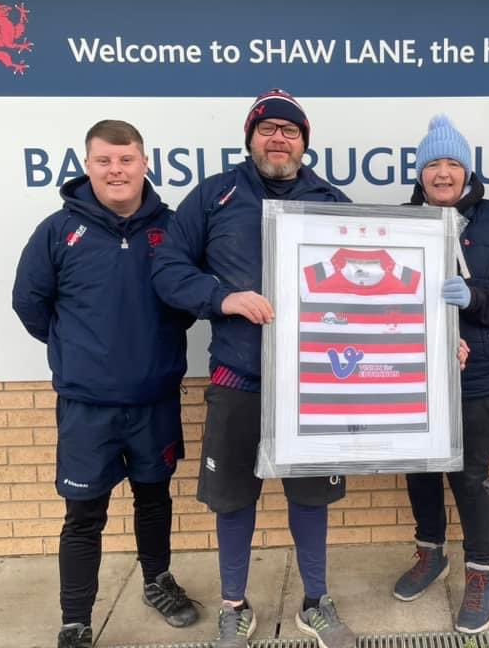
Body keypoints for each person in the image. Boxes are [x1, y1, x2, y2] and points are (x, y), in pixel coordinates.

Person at [150, 89, 357, 648]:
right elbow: (167, 269)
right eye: (268, 129)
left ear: (304, 143)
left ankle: (315, 601)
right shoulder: (214, 196)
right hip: (238, 379)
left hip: (312, 384)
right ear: (250, 137)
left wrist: (426, 343)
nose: (278, 139)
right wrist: (223, 297)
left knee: (311, 498)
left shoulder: (331, 201)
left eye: (290, 131)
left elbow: (369, 283)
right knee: (233, 498)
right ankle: (233, 605)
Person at [12, 120, 199, 648]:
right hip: (87, 407)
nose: (115, 170)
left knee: (154, 498)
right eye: (104, 161)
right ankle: (76, 619)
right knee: (83, 515)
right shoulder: (58, 230)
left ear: (144, 164)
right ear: (88, 165)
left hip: (153, 400)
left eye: (126, 160)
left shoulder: (171, 228)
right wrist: (79, 351)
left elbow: (184, 302)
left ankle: (157, 581)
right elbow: (30, 304)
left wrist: (151, 347)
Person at [392, 115, 489, 633]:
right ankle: (431, 552)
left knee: (469, 472)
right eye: (433, 164)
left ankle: (481, 569)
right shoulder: (403, 221)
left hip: (477, 374)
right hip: (414, 371)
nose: (443, 173)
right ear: (420, 173)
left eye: (453, 163)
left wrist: (472, 297)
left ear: (468, 171)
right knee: (419, 465)